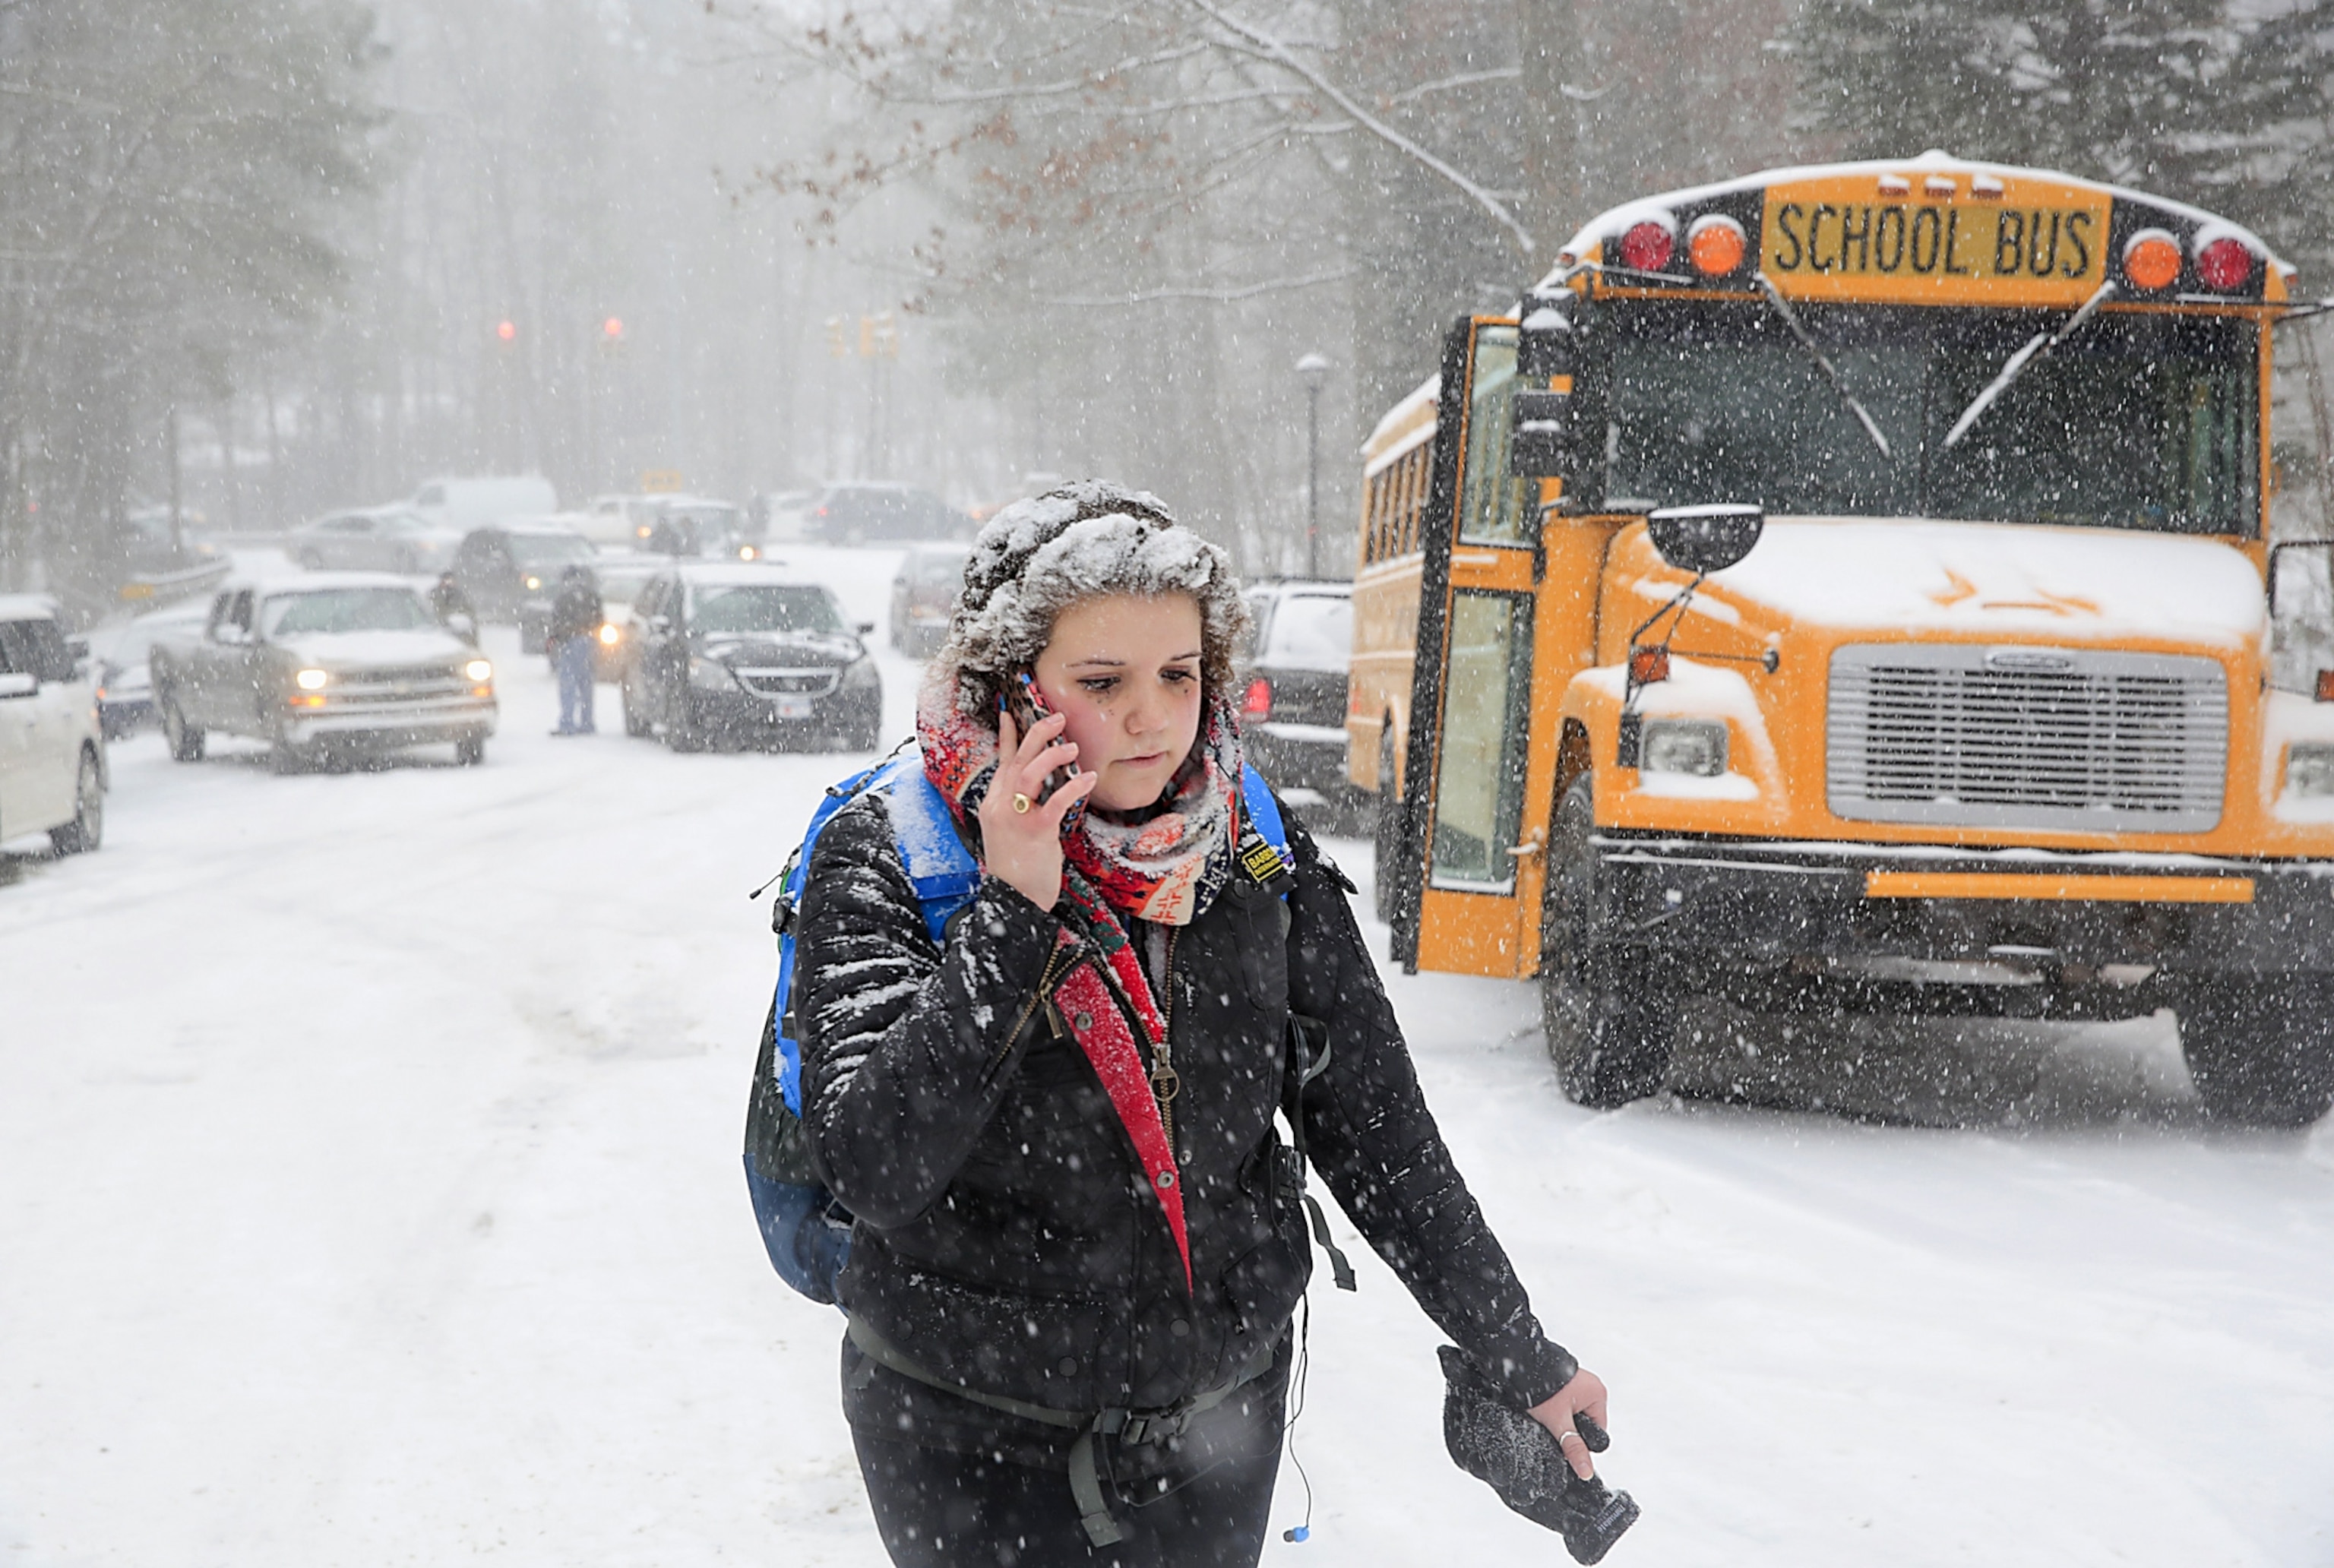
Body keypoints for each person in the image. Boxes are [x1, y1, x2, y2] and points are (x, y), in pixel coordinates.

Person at [792, 482, 1609, 1568]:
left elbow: (1377, 1132)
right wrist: (1012, 912)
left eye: (1179, 674)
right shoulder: (895, 853)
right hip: (964, 1433)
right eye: (1101, 680)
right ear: (1010, 691)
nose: (1151, 715)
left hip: (1213, 1428)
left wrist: (1519, 1354)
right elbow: (873, 1161)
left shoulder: (1253, 850)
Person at [546, 564, 601, 735]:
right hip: (590, 642)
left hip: (569, 643)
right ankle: (587, 722)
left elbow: (556, 622)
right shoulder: (592, 595)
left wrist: (554, 640)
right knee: (586, 684)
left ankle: (567, 723)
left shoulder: (563, 597)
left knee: (568, 685)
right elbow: (600, 619)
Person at [428, 571, 478, 644]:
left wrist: (459, 615)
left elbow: (470, 611)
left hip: (459, 630)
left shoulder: (460, 594)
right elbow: (433, 610)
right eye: (445, 580)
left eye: (450, 580)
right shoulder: (434, 594)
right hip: (441, 630)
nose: (448, 583)